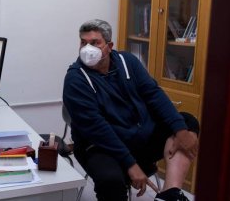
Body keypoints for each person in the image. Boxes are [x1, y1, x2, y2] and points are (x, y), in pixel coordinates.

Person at [63, 19, 199, 201]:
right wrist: (131, 165)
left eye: (95, 42)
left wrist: (180, 130)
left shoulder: (127, 62)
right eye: (83, 42)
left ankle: (169, 195)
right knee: (110, 182)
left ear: (109, 46)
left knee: (186, 122)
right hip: (100, 146)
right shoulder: (75, 79)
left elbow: (154, 95)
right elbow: (97, 128)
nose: (88, 48)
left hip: (138, 137)